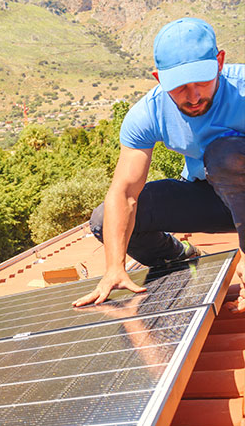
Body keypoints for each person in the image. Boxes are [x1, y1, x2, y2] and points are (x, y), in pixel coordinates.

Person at [74, 17, 245, 309]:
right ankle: (180, 255)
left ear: (219, 62)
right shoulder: (147, 114)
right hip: (210, 198)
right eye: (179, 86)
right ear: (158, 78)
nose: (193, 96)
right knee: (106, 221)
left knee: (224, 155)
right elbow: (125, 194)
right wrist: (115, 267)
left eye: (202, 81)